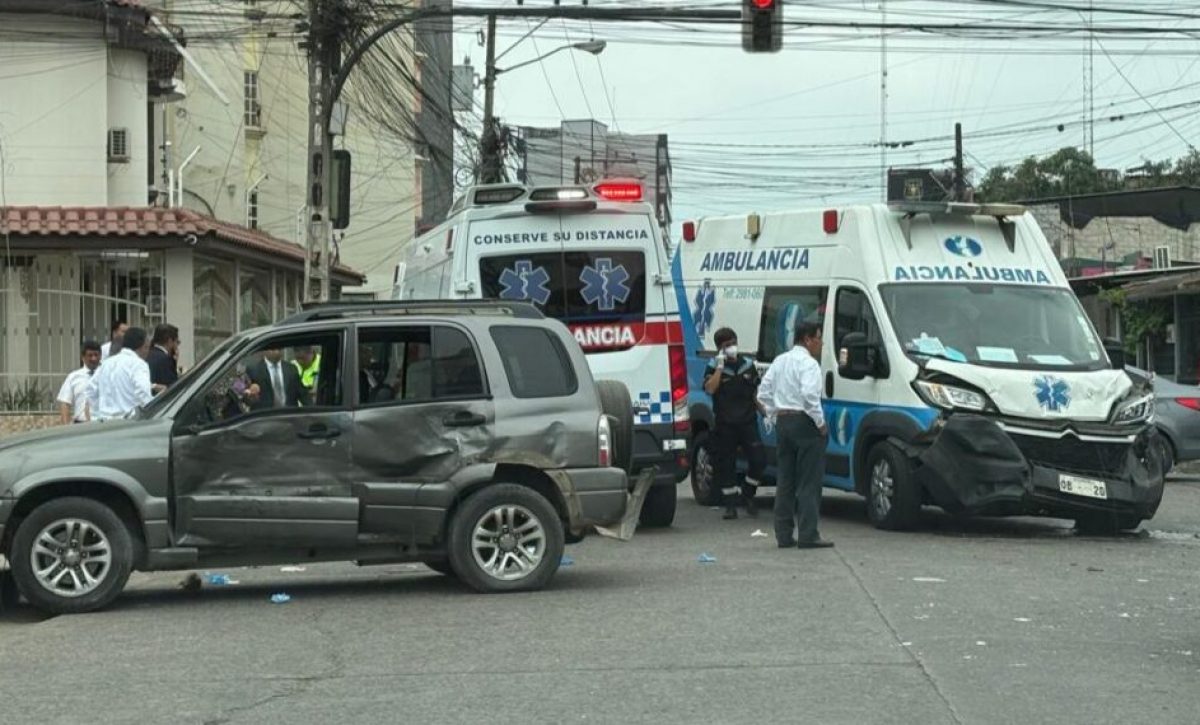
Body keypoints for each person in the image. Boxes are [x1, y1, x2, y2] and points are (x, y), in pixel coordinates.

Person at [757, 321, 833, 549]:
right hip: (805, 422)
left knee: (785, 480)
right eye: (818, 338)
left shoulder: (780, 361)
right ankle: (808, 534)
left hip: (784, 421)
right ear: (807, 339)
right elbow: (810, 396)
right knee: (809, 481)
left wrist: (774, 415)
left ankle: (783, 534)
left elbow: (763, 393)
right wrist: (820, 423)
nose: (821, 343)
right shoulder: (809, 364)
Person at [703, 327, 766, 520]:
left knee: (759, 460)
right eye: (726, 345)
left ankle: (747, 492)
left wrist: (766, 412)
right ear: (719, 348)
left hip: (747, 422)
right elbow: (710, 389)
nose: (731, 347)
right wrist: (720, 368)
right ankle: (730, 504)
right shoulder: (713, 366)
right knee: (726, 465)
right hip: (725, 423)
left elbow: (754, 393)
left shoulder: (748, 365)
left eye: (733, 343)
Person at [88, 326, 153, 421]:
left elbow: (90, 390)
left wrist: (96, 414)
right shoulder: (138, 364)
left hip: (104, 421)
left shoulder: (106, 363)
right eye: (147, 347)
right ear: (142, 346)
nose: (148, 352)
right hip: (128, 421)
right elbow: (143, 393)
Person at [56, 340, 102, 424]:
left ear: (100, 356)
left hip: (101, 424)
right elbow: (65, 403)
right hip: (80, 424)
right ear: (83, 357)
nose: (94, 358)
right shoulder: (73, 377)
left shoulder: (106, 376)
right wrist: (66, 427)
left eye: (96, 355)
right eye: (90, 355)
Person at [147, 323, 180, 390]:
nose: (177, 346)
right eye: (177, 342)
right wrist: (174, 361)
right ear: (170, 341)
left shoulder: (146, 354)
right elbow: (173, 387)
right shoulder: (166, 360)